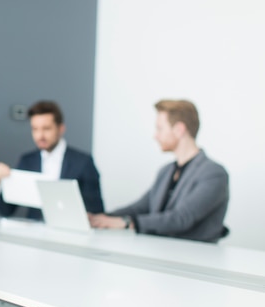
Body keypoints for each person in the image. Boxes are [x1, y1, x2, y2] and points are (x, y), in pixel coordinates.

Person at [88, 99, 229, 243]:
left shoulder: (214, 174)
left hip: (194, 258)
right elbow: (141, 207)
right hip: (160, 252)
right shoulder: (166, 171)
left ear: (179, 129)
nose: (155, 135)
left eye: (160, 128)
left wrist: (127, 222)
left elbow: (181, 218)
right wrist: (102, 217)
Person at [0, 100, 104, 220]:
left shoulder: (83, 162)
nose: (40, 136)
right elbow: (7, 210)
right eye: (35, 129)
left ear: (61, 128)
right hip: (34, 233)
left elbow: (96, 213)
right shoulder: (27, 161)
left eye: (46, 129)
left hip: (69, 234)